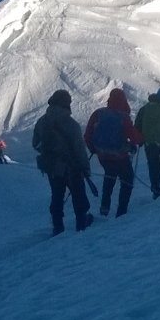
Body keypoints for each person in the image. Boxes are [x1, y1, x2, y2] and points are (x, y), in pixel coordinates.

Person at [33, 90, 92, 234]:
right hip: (72, 167)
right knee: (78, 195)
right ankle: (81, 224)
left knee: (57, 195)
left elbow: (36, 144)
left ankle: (58, 227)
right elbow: (79, 149)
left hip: (52, 167)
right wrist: (85, 168)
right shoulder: (71, 124)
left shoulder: (42, 122)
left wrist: (49, 154)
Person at [84, 88, 143, 217]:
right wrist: (139, 140)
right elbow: (134, 137)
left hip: (103, 155)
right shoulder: (123, 117)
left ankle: (104, 208)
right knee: (127, 180)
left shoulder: (98, 113)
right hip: (120, 155)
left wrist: (93, 148)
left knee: (109, 176)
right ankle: (122, 211)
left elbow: (87, 134)